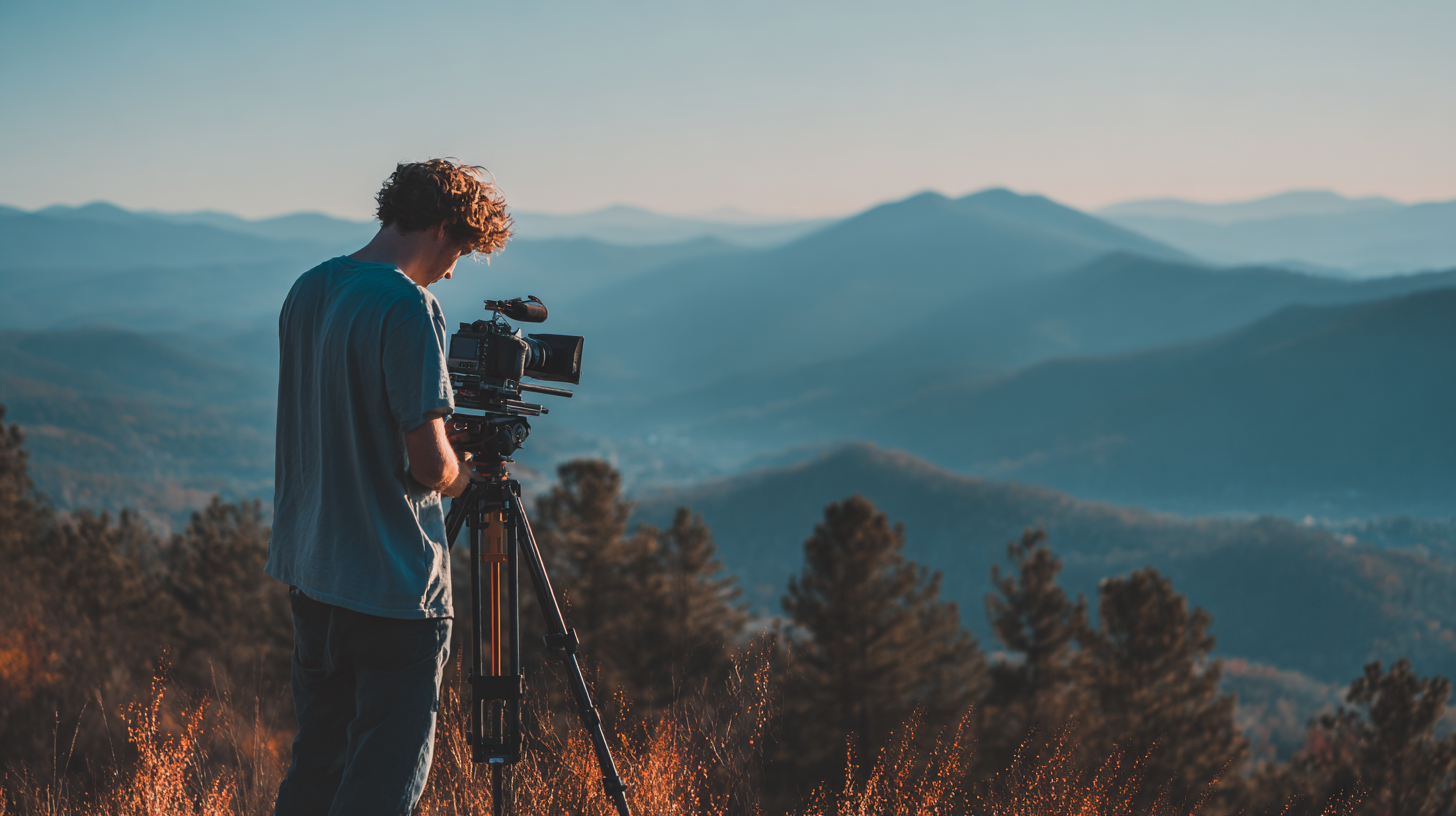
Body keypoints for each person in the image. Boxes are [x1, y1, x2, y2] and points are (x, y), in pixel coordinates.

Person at [266, 159, 512, 815]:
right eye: (461, 250)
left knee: (316, 769)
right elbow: (428, 465)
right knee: (381, 785)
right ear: (443, 227)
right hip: (391, 589)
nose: (453, 270)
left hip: (313, 574)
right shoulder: (408, 305)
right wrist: (463, 475)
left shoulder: (310, 287)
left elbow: (343, 414)